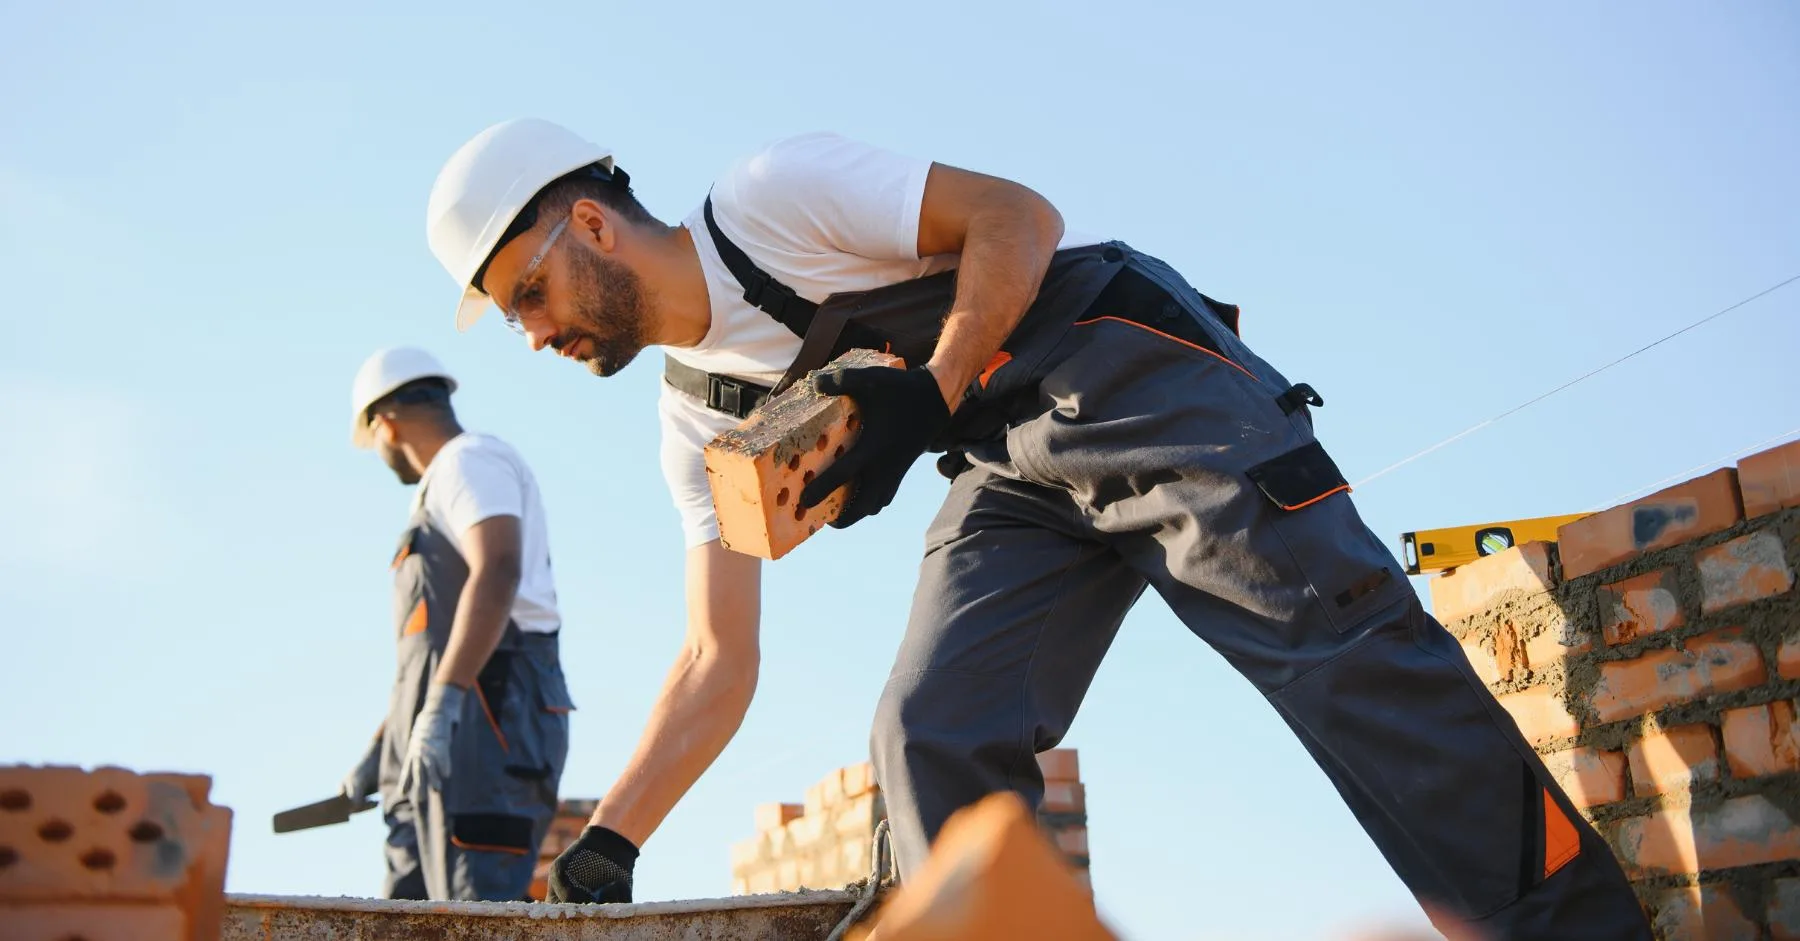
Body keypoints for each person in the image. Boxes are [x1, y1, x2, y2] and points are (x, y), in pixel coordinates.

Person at [419, 119, 1652, 938]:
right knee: (931, 727)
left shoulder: (767, 202)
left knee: (1338, 656)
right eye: (510, 318)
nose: (533, 332)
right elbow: (713, 657)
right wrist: (614, 839)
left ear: (587, 223)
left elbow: (1019, 217)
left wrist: (931, 390)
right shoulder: (691, 421)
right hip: (1010, 468)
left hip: (1130, 373)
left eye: (528, 292)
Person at [339, 346, 575, 901]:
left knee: (473, 911)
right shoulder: (440, 487)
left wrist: (442, 705)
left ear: (386, 425)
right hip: (436, 738)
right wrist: (387, 742)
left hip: (490, 723)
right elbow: (433, 647)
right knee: (409, 916)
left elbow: (497, 570)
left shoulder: (470, 461)